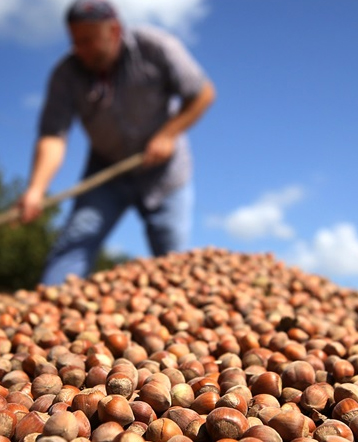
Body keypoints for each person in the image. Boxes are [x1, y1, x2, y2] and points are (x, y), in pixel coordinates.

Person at [17, 0, 215, 286]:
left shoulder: (156, 47)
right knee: (74, 242)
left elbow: (202, 94)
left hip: (165, 171)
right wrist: (36, 189)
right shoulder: (66, 75)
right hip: (107, 170)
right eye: (74, 41)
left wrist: (168, 134)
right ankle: (45, 306)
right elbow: (53, 137)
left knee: (174, 263)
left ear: (114, 31)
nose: (79, 49)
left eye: (88, 40)